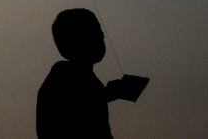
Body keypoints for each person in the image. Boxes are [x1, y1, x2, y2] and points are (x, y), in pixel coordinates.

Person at [36, 9, 144, 138]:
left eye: (99, 33)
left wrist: (106, 94)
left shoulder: (74, 77)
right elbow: (77, 108)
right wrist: (107, 94)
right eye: (92, 34)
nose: (101, 38)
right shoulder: (64, 76)